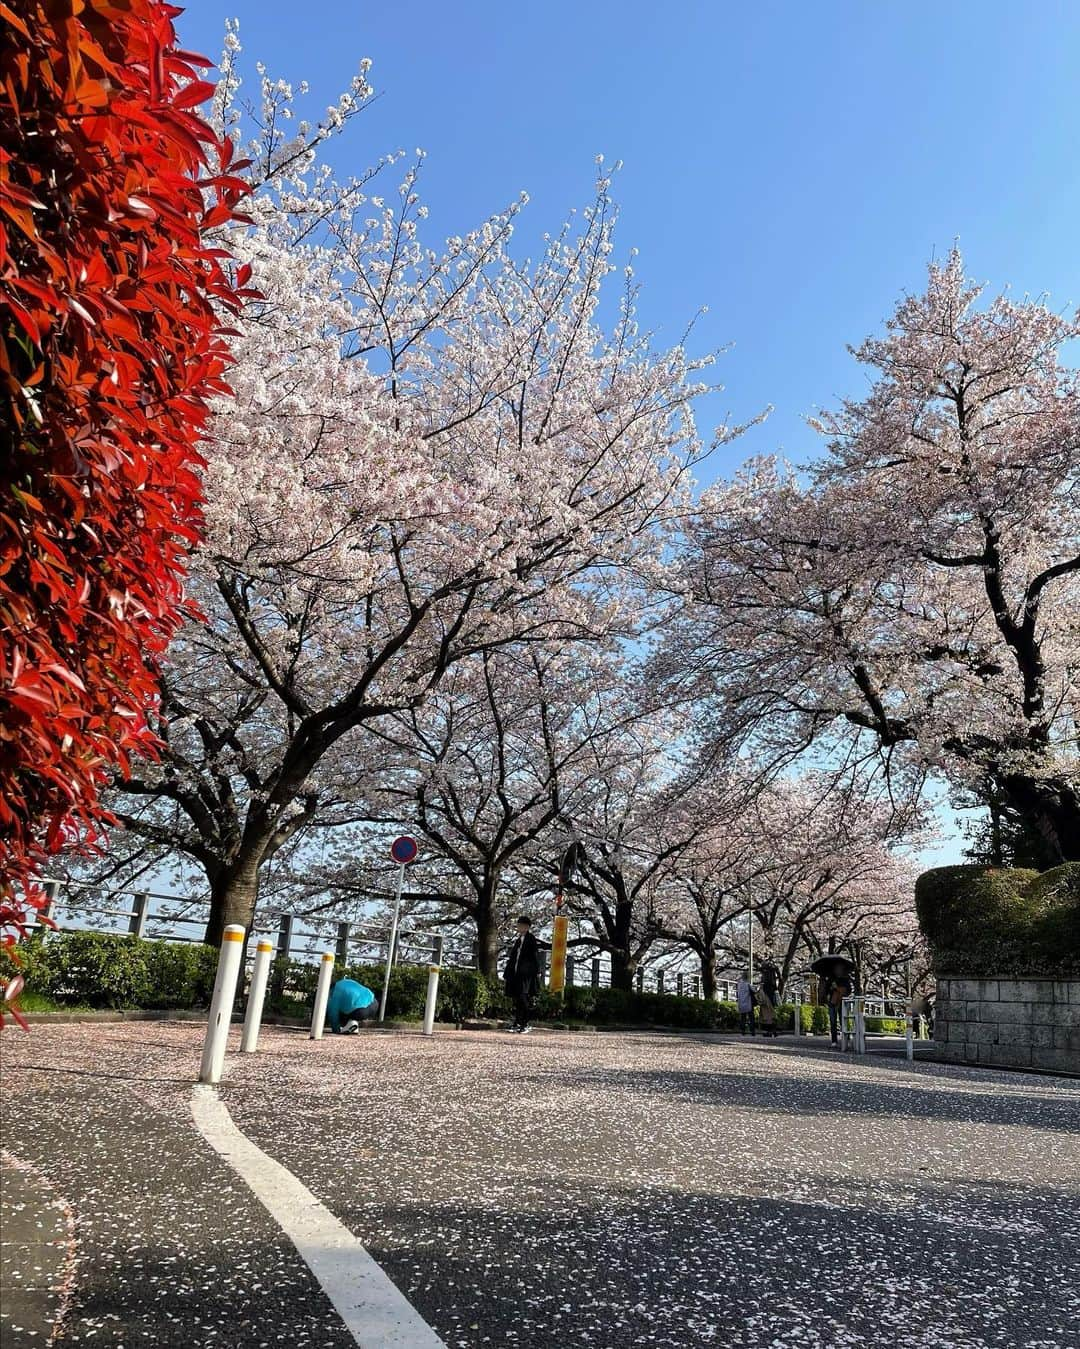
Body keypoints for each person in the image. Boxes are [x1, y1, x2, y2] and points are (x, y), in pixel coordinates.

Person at [504, 915, 541, 1034]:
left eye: (521, 925)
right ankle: (517, 1022)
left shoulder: (531, 939)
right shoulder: (518, 940)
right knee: (516, 998)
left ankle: (525, 1023)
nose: (519, 927)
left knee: (523, 997)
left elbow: (535, 957)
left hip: (526, 974)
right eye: (518, 925)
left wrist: (535, 972)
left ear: (527, 927)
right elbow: (513, 957)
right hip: (516, 974)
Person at [819, 962, 853, 1049]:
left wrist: (838, 989)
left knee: (844, 1021)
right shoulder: (831, 979)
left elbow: (848, 991)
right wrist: (830, 989)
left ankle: (846, 1040)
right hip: (832, 1002)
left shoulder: (846, 979)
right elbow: (826, 990)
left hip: (842, 1002)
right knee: (833, 1021)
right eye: (836, 969)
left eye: (839, 969)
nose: (838, 970)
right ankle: (834, 1041)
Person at [759, 961, 780, 1037]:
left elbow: (762, 987)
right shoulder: (773, 979)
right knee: (772, 1014)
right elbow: (776, 987)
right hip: (772, 997)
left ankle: (768, 1031)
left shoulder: (764, 979)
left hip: (766, 997)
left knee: (766, 1015)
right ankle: (773, 1030)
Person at [736, 971, 756, 1035]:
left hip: (741, 1003)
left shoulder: (739, 985)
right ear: (747, 977)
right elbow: (754, 991)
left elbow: (737, 994)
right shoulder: (748, 985)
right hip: (748, 1003)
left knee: (743, 1018)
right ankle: (752, 1031)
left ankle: (743, 1031)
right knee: (751, 1018)